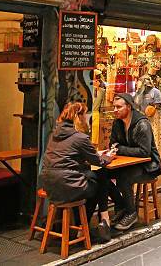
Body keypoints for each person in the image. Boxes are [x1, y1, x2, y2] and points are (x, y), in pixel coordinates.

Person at [39, 102, 115, 241]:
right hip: (68, 185)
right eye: (85, 115)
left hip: (49, 184)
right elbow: (98, 162)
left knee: (94, 179)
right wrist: (108, 156)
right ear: (78, 117)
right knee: (101, 179)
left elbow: (67, 157)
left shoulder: (54, 134)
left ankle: (87, 224)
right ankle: (98, 220)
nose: (86, 118)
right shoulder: (80, 138)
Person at [108, 93, 161, 231]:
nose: (115, 110)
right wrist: (117, 149)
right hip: (129, 164)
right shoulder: (117, 123)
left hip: (148, 167)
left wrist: (120, 149)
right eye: (114, 107)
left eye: (119, 107)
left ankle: (131, 213)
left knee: (124, 178)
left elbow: (144, 152)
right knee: (102, 175)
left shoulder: (142, 124)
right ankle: (121, 207)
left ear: (129, 107)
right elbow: (112, 144)